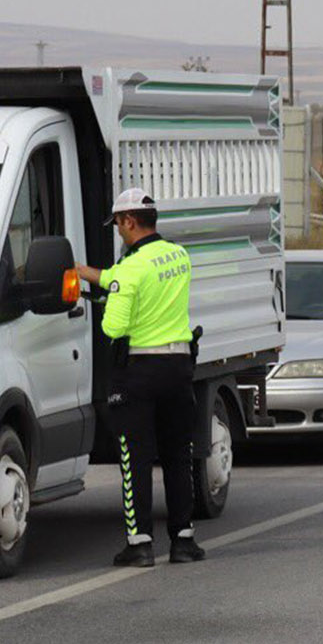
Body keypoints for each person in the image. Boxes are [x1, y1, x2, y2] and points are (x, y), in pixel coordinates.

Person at [74, 188, 205, 567]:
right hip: (178, 367)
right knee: (179, 454)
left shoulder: (131, 269)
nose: (118, 231)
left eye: (118, 224)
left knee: (136, 458)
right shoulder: (178, 256)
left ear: (129, 221)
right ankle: (184, 540)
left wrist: (105, 298)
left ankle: (140, 543)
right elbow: (124, 280)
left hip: (139, 373)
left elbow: (115, 326)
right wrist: (90, 276)